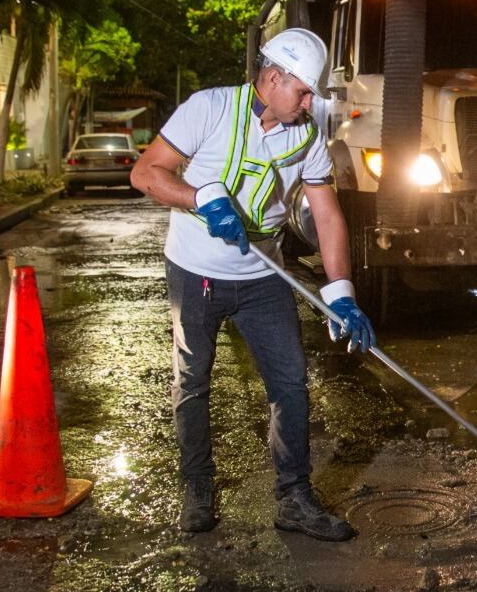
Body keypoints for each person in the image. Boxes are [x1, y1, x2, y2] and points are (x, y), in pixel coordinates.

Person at [130, 27, 377, 541]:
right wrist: (200, 199)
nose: (310, 102)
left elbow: (328, 215)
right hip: (195, 269)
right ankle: (197, 488)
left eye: (311, 94)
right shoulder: (209, 109)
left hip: (265, 274)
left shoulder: (306, 133)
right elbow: (147, 172)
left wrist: (342, 294)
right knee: (193, 381)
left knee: (290, 383)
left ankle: (293, 499)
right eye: (304, 91)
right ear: (272, 77)